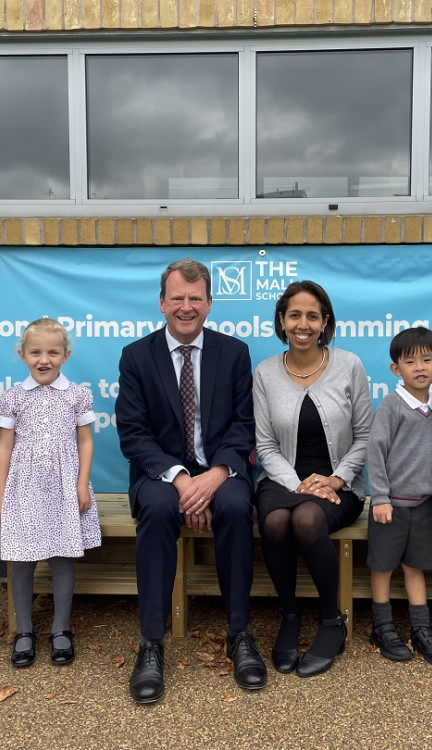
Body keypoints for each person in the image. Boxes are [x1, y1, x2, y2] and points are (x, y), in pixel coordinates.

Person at [116, 258, 266, 703]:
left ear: (209, 304)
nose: (186, 307)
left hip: (222, 468)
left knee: (237, 506)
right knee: (160, 508)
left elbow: (244, 424)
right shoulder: (136, 356)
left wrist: (217, 474)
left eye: (195, 299)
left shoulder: (234, 352)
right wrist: (182, 480)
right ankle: (151, 643)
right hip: (160, 474)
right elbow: (133, 433)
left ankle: (239, 634)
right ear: (162, 303)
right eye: (177, 298)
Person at [253, 280, 373, 678]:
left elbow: (365, 437)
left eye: (312, 316)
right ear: (282, 322)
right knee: (275, 519)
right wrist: (299, 483)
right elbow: (266, 445)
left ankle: (330, 620)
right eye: (294, 315)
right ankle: (289, 616)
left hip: (340, 483)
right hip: (283, 478)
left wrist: (336, 480)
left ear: (325, 322)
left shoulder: (349, 365)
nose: (302, 324)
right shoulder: (266, 372)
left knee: (306, 519)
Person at [0, 318, 101, 668]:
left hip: (64, 484)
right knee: (22, 558)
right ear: (22, 354)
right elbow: (4, 447)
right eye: (35, 352)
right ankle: (25, 630)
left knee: (61, 556)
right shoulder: (12, 397)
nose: (44, 359)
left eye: (53, 352)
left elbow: (85, 441)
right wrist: (1, 491)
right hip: (23, 487)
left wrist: (82, 483)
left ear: (65, 355)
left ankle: (60, 629)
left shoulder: (77, 395)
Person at [365, 327, 432, 667]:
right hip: (392, 505)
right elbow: (376, 450)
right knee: (383, 567)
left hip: (424, 506)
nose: (420, 367)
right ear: (395, 369)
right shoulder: (391, 405)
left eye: (427, 360)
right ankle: (382, 626)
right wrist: (381, 496)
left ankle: (421, 628)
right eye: (410, 361)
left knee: (416, 568)